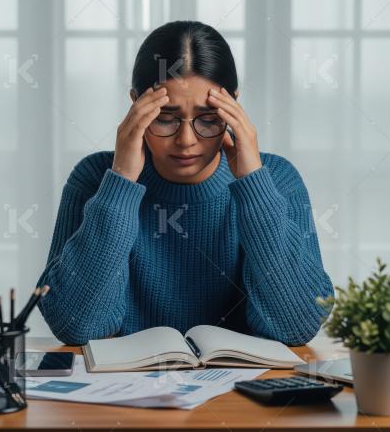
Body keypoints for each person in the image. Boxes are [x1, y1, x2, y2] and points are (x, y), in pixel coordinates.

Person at [37, 20, 333, 346]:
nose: (186, 141)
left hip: (245, 392)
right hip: (126, 392)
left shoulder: (276, 179)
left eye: (208, 119)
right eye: (165, 119)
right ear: (136, 105)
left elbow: (298, 325)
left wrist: (254, 184)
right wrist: (120, 181)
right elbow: (74, 325)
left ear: (233, 106)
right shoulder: (96, 178)